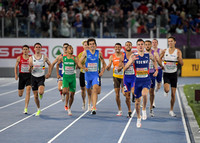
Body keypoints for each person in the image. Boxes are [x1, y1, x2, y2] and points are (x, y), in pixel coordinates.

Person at [124, 39, 158, 128]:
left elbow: (154, 60)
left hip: (146, 79)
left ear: (143, 45)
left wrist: (156, 69)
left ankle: (144, 110)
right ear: (136, 46)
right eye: (138, 44)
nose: (140, 46)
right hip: (137, 81)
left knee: (145, 94)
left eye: (142, 44)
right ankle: (138, 118)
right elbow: (125, 67)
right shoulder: (133, 55)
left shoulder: (148, 55)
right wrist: (131, 61)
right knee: (137, 102)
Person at [79, 38, 106, 115]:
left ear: (95, 45)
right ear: (88, 45)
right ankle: (89, 103)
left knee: (95, 89)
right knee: (89, 91)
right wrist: (84, 68)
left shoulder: (99, 53)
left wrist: (102, 72)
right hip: (87, 75)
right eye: (90, 44)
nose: (92, 45)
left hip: (95, 75)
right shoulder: (85, 53)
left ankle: (94, 107)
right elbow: (79, 63)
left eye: (93, 44)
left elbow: (104, 64)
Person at [57, 45, 86, 116]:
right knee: (65, 91)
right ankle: (63, 94)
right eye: (70, 48)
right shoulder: (63, 58)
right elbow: (57, 65)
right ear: (66, 50)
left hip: (73, 78)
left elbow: (79, 65)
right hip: (66, 78)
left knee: (72, 95)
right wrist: (58, 74)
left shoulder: (75, 57)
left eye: (72, 48)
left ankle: (69, 108)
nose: (72, 50)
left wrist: (83, 67)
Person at [158, 36, 183, 117]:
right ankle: (166, 92)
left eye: (171, 41)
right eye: (169, 41)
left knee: (173, 94)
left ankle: (171, 110)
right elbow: (159, 59)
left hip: (174, 74)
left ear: (175, 42)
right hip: (166, 73)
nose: (170, 43)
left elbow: (182, 64)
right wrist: (161, 66)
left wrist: (179, 59)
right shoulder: (165, 51)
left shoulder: (178, 51)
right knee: (167, 90)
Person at [29, 43, 52, 116]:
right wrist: (30, 67)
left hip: (41, 77)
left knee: (41, 92)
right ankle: (38, 109)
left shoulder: (44, 57)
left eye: (39, 47)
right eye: (36, 47)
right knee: (35, 96)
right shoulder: (31, 58)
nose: (38, 48)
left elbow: (50, 65)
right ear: (34, 49)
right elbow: (29, 70)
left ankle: (41, 94)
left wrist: (49, 73)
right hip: (33, 77)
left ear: (41, 48)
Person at [106, 43, 124, 116]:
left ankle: (131, 96)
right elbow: (109, 66)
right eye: (116, 47)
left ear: (121, 48)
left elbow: (125, 64)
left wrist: (121, 68)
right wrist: (107, 67)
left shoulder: (123, 55)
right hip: (116, 77)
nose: (117, 48)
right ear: (114, 48)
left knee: (125, 93)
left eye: (119, 47)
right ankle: (119, 109)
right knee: (117, 95)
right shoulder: (112, 56)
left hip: (123, 76)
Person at [119, 41, 136, 118]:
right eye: (127, 45)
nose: (128, 46)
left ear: (131, 46)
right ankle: (129, 111)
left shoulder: (134, 55)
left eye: (129, 45)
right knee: (127, 96)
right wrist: (119, 68)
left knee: (133, 91)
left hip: (133, 77)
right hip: (126, 78)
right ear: (125, 47)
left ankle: (134, 95)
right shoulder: (122, 57)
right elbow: (120, 68)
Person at [14, 45, 31, 114]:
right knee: (20, 94)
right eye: (24, 49)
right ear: (22, 50)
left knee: (28, 91)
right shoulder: (19, 58)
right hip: (21, 76)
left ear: (28, 50)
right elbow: (15, 67)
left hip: (29, 76)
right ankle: (21, 90)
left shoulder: (30, 58)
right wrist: (15, 74)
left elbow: (34, 65)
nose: (25, 50)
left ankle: (26, 108)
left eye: (26, 49)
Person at [144, 40, 158, 117]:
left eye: (149, 44)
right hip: (143, 75)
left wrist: (156, 70)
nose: (147, 46)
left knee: (151, 92)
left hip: (151, 74)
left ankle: (151, 108)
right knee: (144, 92)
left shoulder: (153, 54)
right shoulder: (142, 54)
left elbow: (155, 62)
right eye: (146, 44)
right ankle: (144, 109)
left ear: (151, 45)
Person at [78, 40, 89, 110]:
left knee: (89, 89)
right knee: (83, 89)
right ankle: (84, 102)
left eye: (87, 45)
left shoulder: (92, 53)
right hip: (82, 73)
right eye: (85, 45)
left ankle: (89, 103)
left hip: (90, 73)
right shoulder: (80, 54)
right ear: (83, 46)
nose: (86, 46)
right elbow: (78, 64)